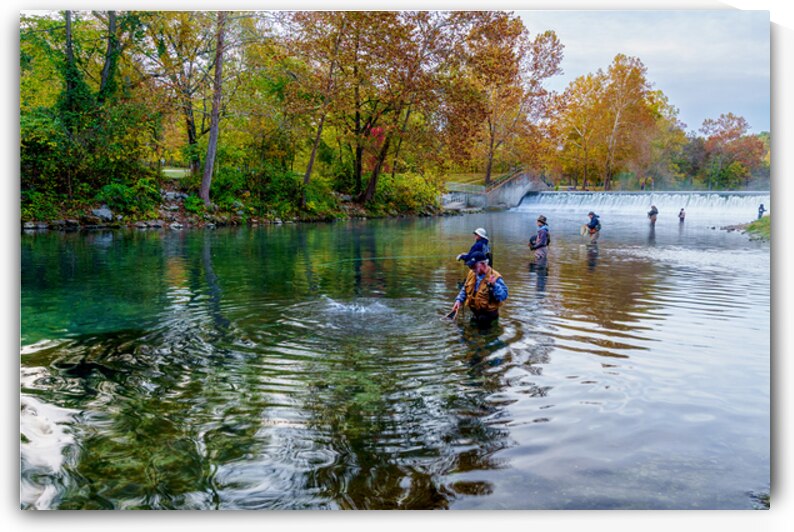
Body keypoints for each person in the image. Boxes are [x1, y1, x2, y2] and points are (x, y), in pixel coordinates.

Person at [450, 251, 508, 326]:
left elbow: (503, 297)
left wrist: (494, 285)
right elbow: (465, 288)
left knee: (487, 336)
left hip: (489, 318)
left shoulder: (496, 277)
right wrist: (458, 301)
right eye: (470, 266)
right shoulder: (472, 273)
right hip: (475, 314)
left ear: (483, 264)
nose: (471, 268)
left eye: (473, 266)